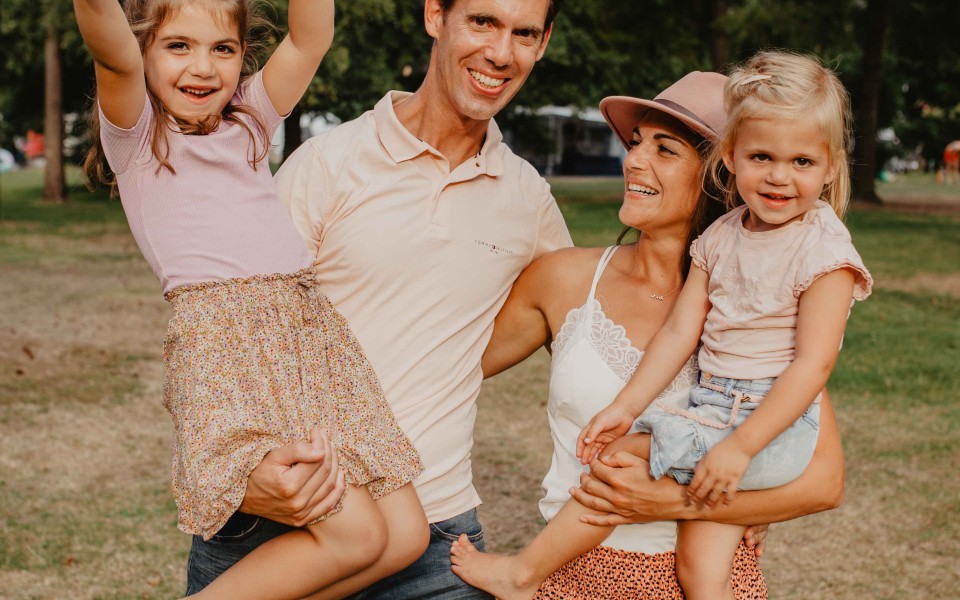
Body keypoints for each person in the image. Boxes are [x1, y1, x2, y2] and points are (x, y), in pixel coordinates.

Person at [184, 0, 572, 598]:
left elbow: (597, 337)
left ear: (542, 44)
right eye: (482, 22)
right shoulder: (328, 163)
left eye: (524, 33)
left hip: (438, 539)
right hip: (288, 523)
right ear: (435, 16)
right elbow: (227, 333)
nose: (500, 53)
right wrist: (243, 472)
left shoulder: (527, 198)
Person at [448, 66, 851, 599]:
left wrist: (674, 502)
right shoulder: (565, 279)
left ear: (718, 171)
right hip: (576, 575)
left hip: (702, 575)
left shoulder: (759, 310)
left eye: (665, 150)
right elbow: (446, 371)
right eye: (636, 143)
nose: (633, 159)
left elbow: (821, 483)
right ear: (739, 161)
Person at [74, 0, 428, 598]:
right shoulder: (136, 133)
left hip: (310, 337)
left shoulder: (248, 120)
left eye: (224, 49)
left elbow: (311, 36)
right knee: (358, 536)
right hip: (231, 349)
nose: (204, 67)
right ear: (143, 52)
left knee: (405, 537)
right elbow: (108, 44)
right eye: (177, 45)